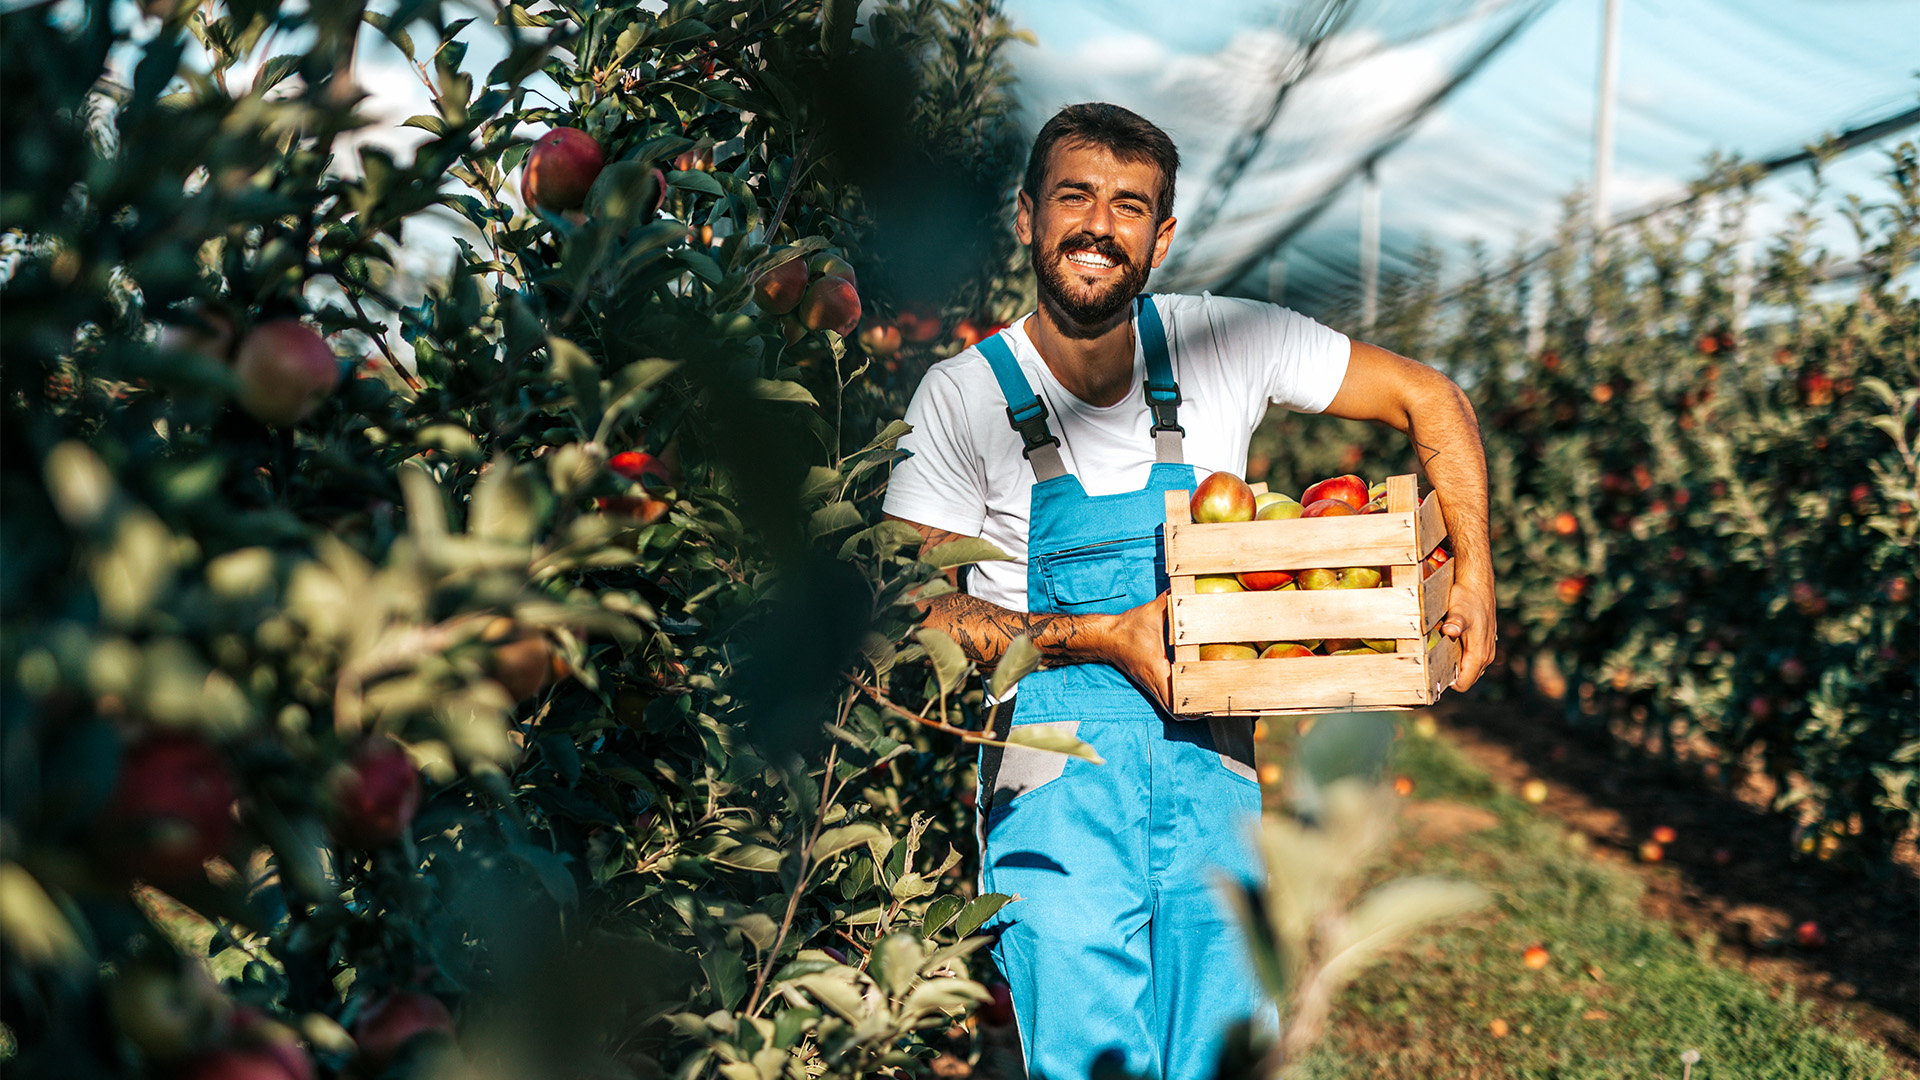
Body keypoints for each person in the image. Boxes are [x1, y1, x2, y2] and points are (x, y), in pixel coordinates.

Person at [881, 102, 1494, 1080]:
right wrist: (1111, 635)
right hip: (1052, 793)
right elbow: (911, 609)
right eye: (1074, 197)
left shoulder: (1223, 344)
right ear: (1027, 214)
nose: (1098, 226)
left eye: (1130, 206)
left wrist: (1475, 573)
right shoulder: (964, 396)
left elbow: (1432, 398)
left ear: (1162, 236)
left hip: (1216, 788)